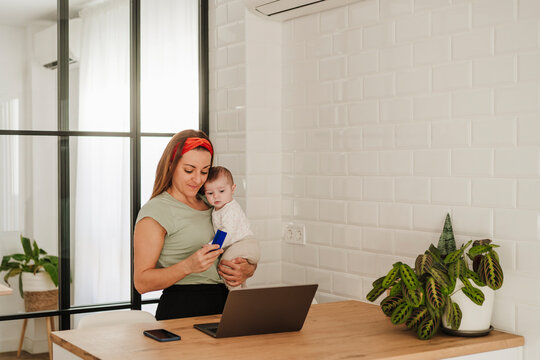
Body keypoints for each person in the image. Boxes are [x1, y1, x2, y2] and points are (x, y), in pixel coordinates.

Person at [133, 129, 257, 320]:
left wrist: (247, 269)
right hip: (184, 307)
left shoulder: (212, 201)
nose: (198, 179)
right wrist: (188, 266)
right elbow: (141, 282)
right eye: (189, 170)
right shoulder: (156, 211)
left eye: (205, 171)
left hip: (227, 304)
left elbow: (237, 240)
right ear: (171, 166)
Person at [203, 166, 260, 290]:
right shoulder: (219, 208)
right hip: (239, 246)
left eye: (221, 191)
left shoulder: (230, 209)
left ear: (232, 189)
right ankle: (242, 293)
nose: (216, 196)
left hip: (245, 244)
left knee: (226, 266)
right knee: (237, 274)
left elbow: (226, 231)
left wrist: (212, 246)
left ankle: (235, 296)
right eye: (210, 193)